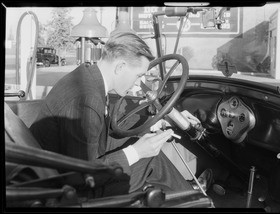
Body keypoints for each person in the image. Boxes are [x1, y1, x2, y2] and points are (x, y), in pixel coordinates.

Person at [30, 32, 201, 196]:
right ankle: (194, 201)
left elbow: (107, 123)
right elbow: (81, 176)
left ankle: (187, 194)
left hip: (59, 170)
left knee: (143, 149)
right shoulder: (87, 100)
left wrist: (155, 122)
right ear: (120, 67)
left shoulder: (87, 77)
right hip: (69, 190)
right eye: (138, 76)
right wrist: (136, 152)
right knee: (149, 158)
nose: (137, 85)